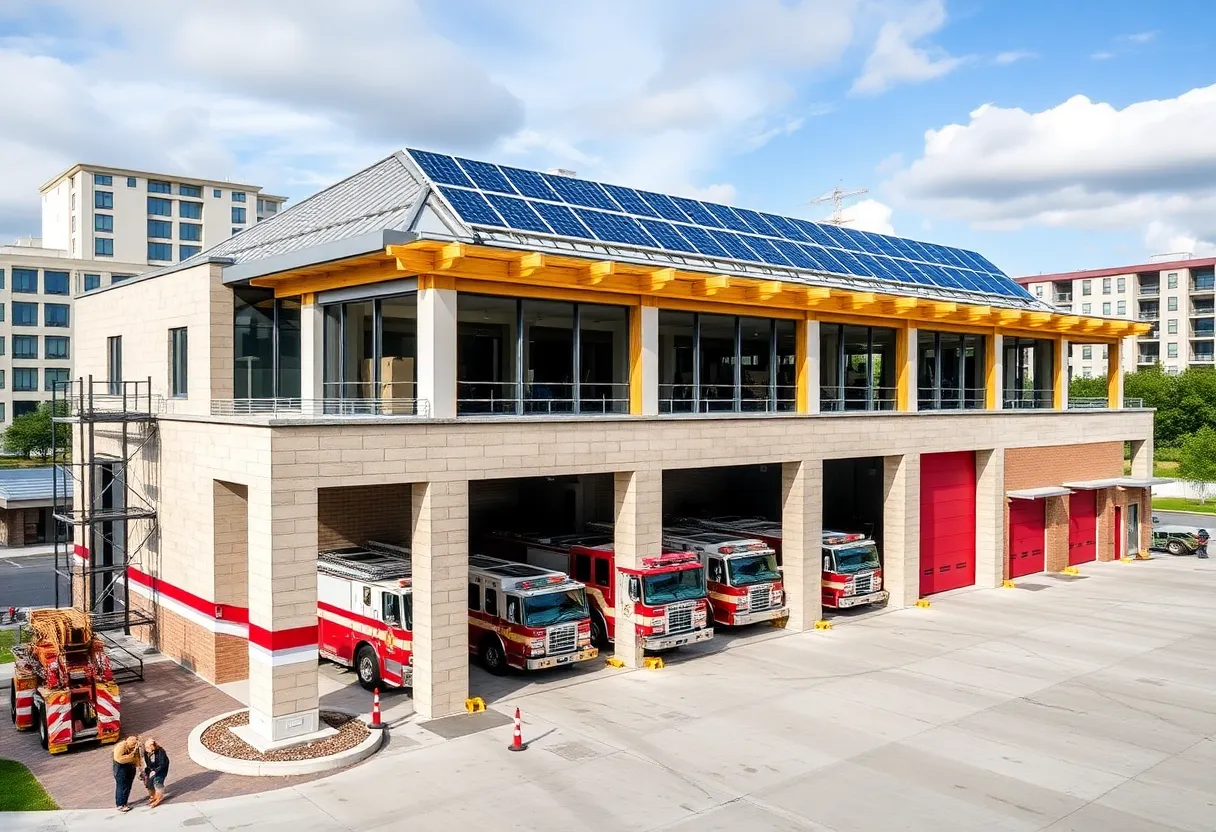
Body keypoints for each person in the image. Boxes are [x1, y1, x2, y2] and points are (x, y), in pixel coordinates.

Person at [112, 736, 141, 812]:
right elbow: (119, 759)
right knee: (122, 785)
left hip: (130, 767)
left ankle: (124, 802)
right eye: (133, 745)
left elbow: (137, 756)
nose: (134, 747)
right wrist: (131, 757)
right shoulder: (121, 746)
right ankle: (120, 804)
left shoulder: (135, 747)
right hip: (120, 768)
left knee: (128, 785)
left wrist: (139, 767)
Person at [141, 738, 170, 808]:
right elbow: (147, 762)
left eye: (148, 747)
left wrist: (155, 771)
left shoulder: (161, 751)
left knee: (158, 782)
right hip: (153, 769)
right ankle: (154, 796)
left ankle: (159, 797)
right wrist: (147, 771)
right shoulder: (147, 752)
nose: (147, 749)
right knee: (150, 783)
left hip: (161, 770)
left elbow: (163, 764)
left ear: (152, 746)